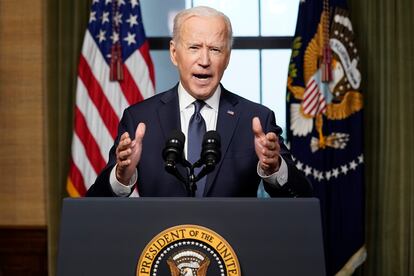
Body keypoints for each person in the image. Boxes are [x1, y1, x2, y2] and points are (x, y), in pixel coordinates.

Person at [86, 6, 312, 197]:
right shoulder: (140, 119)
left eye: (215, 49)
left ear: (227, 58)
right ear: (174, 53)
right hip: (162, 246)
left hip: (231, 247)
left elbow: (302, 195)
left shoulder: (256, 120)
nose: (204, 60)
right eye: (194, 48)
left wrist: (275, 167)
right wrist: (121, 175)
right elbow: (96, 201)